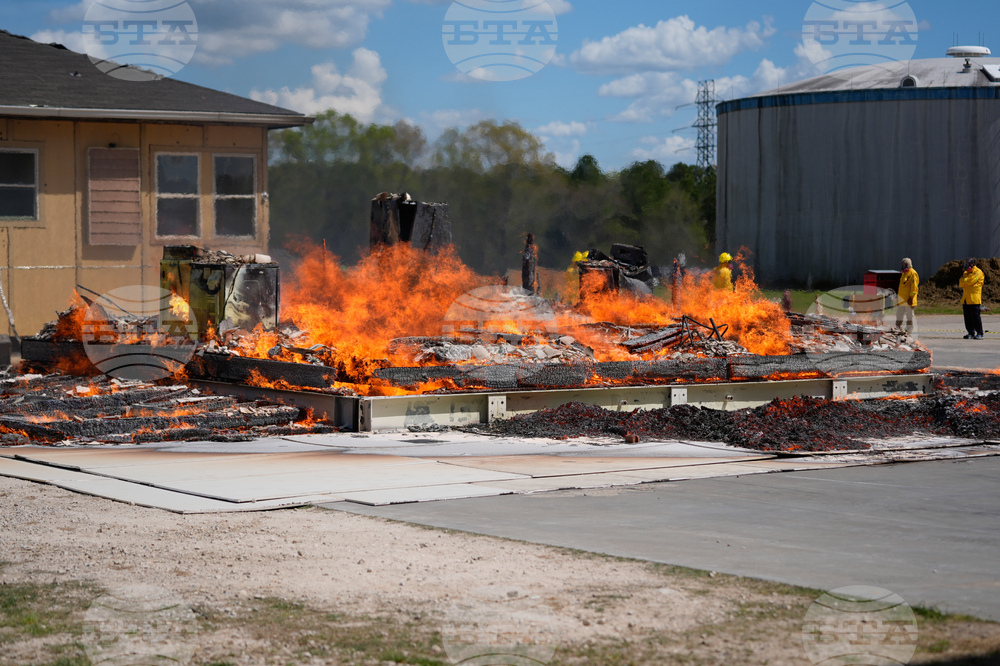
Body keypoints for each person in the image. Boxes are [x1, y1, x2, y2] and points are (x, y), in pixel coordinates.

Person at [959, 258, 985, 339]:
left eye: (967, 264)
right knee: (967, 317)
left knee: (975, 317)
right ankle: (970, 332)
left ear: (972, 264)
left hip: (974, 299)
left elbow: (970, 281)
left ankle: (980, 333)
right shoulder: (966, 273)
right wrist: (965, 281)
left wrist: (965, 281)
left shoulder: (978, 272)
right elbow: (961, 283)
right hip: (966, 299)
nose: (966, 266)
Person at [895, 257, 918, 333]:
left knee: (909, 317)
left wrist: (911, 298)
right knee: (899, 315)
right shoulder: (903, 274)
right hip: (902, 300)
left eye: (904, 265)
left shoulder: (913, 273)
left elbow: (914, 288)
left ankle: (908, 331)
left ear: (908, 265)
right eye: (902, 265)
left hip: (909, 300)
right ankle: (897, 329)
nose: (902, 266)